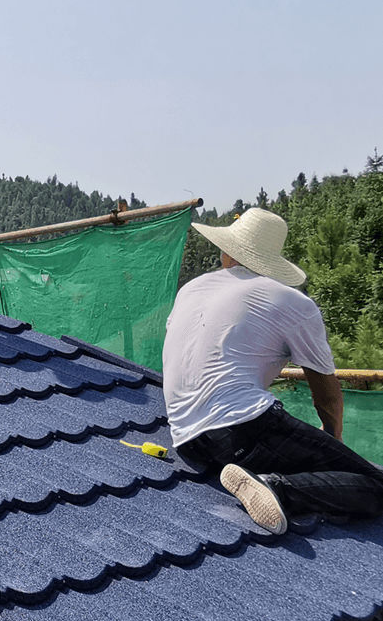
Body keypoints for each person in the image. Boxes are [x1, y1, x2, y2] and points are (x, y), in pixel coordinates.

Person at [162, 207, 383, 535]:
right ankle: (278, 489)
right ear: (271, 261)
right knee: (375, 485)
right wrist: (332, 443)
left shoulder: (191, 289)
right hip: (242, 431)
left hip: (187, 439)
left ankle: (254, 478)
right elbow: (326, 394)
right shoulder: (293, 302)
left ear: (227, 252)